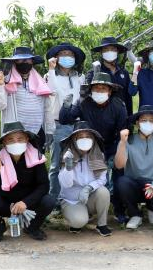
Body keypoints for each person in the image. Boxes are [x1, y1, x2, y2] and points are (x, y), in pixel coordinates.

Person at [59, 72, 128, 222]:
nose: (99, 91)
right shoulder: (83, 102)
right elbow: (65, 119)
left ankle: (119, 210)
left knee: (118, 176)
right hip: (87, 147)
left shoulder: (118, 106)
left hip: (110, 145)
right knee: (87, 176)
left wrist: (118, 150)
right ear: (91, 90)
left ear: (110, 91)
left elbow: (122, 129)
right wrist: (66, 106)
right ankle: (84, 207)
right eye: (96, 88)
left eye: (103, 88)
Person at [0, 122, 55, 242]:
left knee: (49, 201)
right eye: (11, 140)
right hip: (6, 203)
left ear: (27, 140)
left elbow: (44, 186)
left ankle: (32, 227)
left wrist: (25, 202)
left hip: (29, 203)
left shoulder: (36, 158)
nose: (16, 143)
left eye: (20, 139)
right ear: (4, 143)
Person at [114, 106, 153, 229]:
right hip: (134, 184)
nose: (148, 123)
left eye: (152, 121)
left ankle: (152, 208)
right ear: (137, 123)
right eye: (144, 120)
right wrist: (122, 143)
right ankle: (135, 214)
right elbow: (119, 165)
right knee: (121, 182)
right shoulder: (129, 140)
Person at [44, 42, 86, 204]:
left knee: (76, 161)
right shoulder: (49, 76)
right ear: (56, 57)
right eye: (63, 54)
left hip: (77, 124)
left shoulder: (79, 77)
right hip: (58, 125)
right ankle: (54, 199)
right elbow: (51, 91)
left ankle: (72, 197)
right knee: (56, 164)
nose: (67, 57)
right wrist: (51, 69)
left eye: (70, 54)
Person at [0, 46, 55, 150]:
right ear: (14, 62)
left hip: (37, 133)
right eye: (20, 60)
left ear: (32, 61)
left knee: (36, 160)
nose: (24, 62)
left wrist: (49, 131)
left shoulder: (41, 83)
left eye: (27, 59)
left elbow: (47, 108)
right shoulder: (5, 81)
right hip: (14, 135)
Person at [58, 121, 111, 236]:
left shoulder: (99, 155)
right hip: (72, 200)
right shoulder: (67, 155)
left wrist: (89, 188)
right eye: (80, 137)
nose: (84, 139)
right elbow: (65, 184)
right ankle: (78, 219)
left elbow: (102, 179)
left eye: (88, 136)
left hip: (90, 195)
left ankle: (102, 224)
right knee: (78, 222)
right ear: (74, 139)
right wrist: (68, 167)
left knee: (103, 192)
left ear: (93, 139)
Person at [87, 37, 137, 116]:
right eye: (106, 49)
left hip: (121, 116)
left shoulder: (124, 73)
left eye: (113, 49)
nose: (109, 52)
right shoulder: (94, 72)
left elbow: (128, 97)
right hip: (101, 116)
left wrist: (129, 117)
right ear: (101, 52)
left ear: (117, 52)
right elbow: (88, 96)